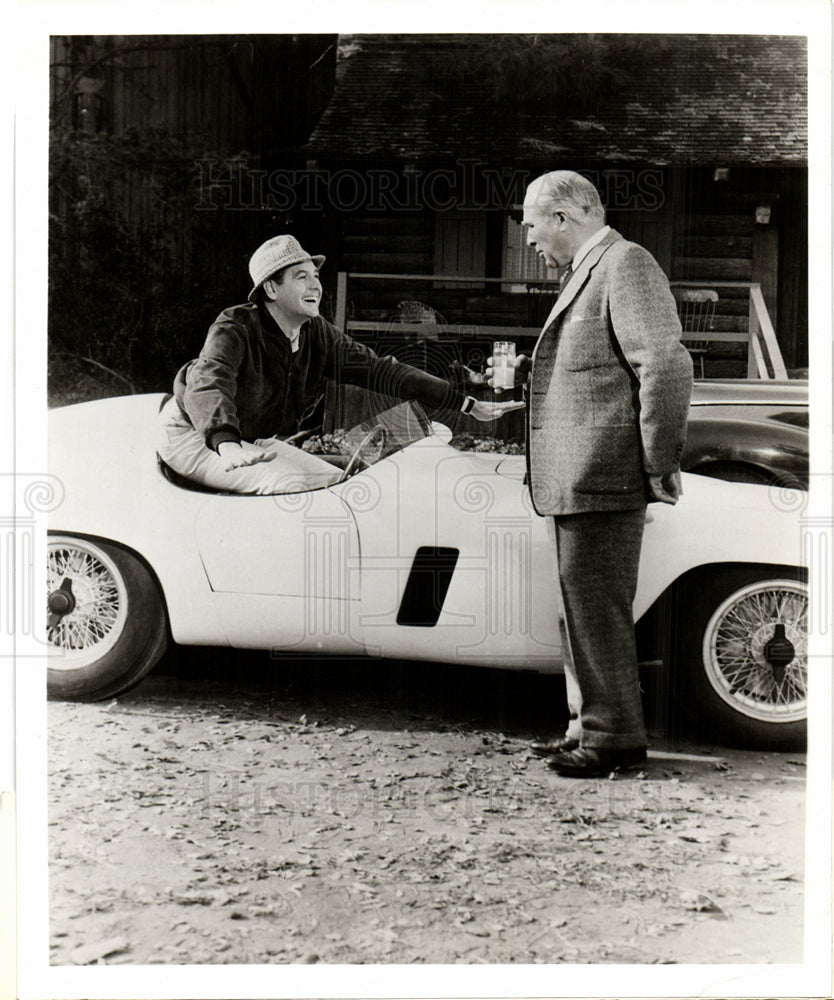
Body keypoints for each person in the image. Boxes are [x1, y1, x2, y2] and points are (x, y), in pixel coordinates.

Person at [488, 171, 693, 778]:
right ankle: (588, 727)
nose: (526, 239)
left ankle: (614, 741)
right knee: (578, 609)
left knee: (596, 609)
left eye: (529, 224)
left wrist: (657, 462)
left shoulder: (626, 264)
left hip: (606, 476)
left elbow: (666, 367)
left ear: (564, 217)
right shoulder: (586, 270)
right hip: (578, 481)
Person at [160, 235, 522, 494]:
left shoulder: (317, 333)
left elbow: (384, 371)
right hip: (196, 436)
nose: (315, 284)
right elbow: (210, 382)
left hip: (250, 440)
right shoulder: (234, 327)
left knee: (335, 486)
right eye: (301, 276)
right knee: (289, 487)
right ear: (271, 289)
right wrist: (226, 442)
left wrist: (467, 404)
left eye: (315, 275)